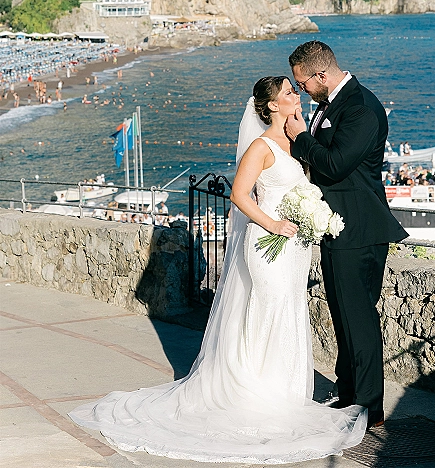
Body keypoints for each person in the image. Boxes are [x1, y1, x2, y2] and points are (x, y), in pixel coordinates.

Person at [69, 76, 366, 461]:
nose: (298, 95)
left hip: (295, 249)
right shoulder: (261, 147)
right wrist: (273, 224)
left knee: (289, 312)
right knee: (269, 311)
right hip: (267, 246)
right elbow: (240, 195)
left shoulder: (299, 141)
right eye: (290, 92)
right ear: (272, 106)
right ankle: (261, 394)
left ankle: (288, 393)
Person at [285, 41, 408, 430]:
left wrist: (300, 137)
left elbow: (336, 164)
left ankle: (370, 408)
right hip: (337, 225)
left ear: (321, 75)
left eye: (302, 82)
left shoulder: (360, 108)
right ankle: (350, 393)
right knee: (343, 316)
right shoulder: (331, 102)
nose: (300, 88)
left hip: (359, 226)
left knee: (359, 318)